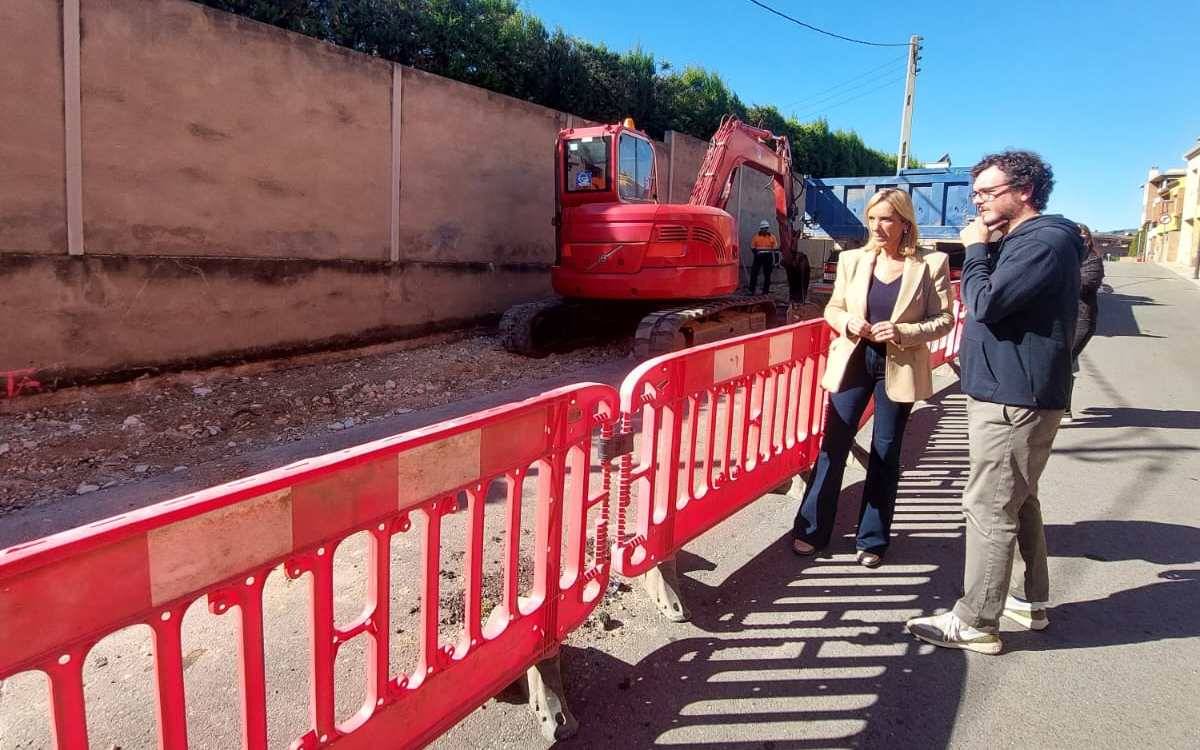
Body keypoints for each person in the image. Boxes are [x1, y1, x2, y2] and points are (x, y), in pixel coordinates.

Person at [906, 150, 1085, 654]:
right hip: (1014, 390)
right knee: (1018, 498)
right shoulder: (1033, 240)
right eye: (977, 192)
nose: (977, 201)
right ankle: (1028, 601)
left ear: (1023, 191)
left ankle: (976, 619)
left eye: (987, 191)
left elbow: (985, 303)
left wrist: (976, 250)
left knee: (988, 505)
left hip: (1014, 397)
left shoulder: (1041, 241)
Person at [791, 189, 954, 567]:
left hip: (899, 366)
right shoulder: (852, 259)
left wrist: (902, 332)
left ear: (904, 223)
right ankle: (810, 530)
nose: (878, 227)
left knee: (885, 452)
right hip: (853, 360)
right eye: (872, 219)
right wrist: (847, 321)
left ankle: (873, 539)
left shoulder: (931, 264)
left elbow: (944, 319)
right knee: (833, 446)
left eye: (887, 219)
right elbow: (833, 308)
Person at [1064, 224, 1105, 422]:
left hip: (1081, 319)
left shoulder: (1093, 259)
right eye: (1075, 235)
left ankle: (1063, 409)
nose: (1079, 238)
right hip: (1057, 319)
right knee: (1060, 362)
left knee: (1062, 362)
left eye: (1083, 234)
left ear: (1088, 238)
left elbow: (1085, 284)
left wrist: (1057, 278)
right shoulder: (1062, 256)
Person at [749, 220, 778, 294]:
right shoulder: (756, 237)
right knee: (754, 273)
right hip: (758, 256)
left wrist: (777, 261)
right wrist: (756, 254)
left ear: (767, 228)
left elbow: (775, 250)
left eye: (765, 228)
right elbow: (752, 247)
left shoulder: (772, 237)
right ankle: (751, 290)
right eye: (763, 228)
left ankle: (765, 291)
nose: (764, 230)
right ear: (760, 229)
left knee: (767, 274)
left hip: (768, 257)